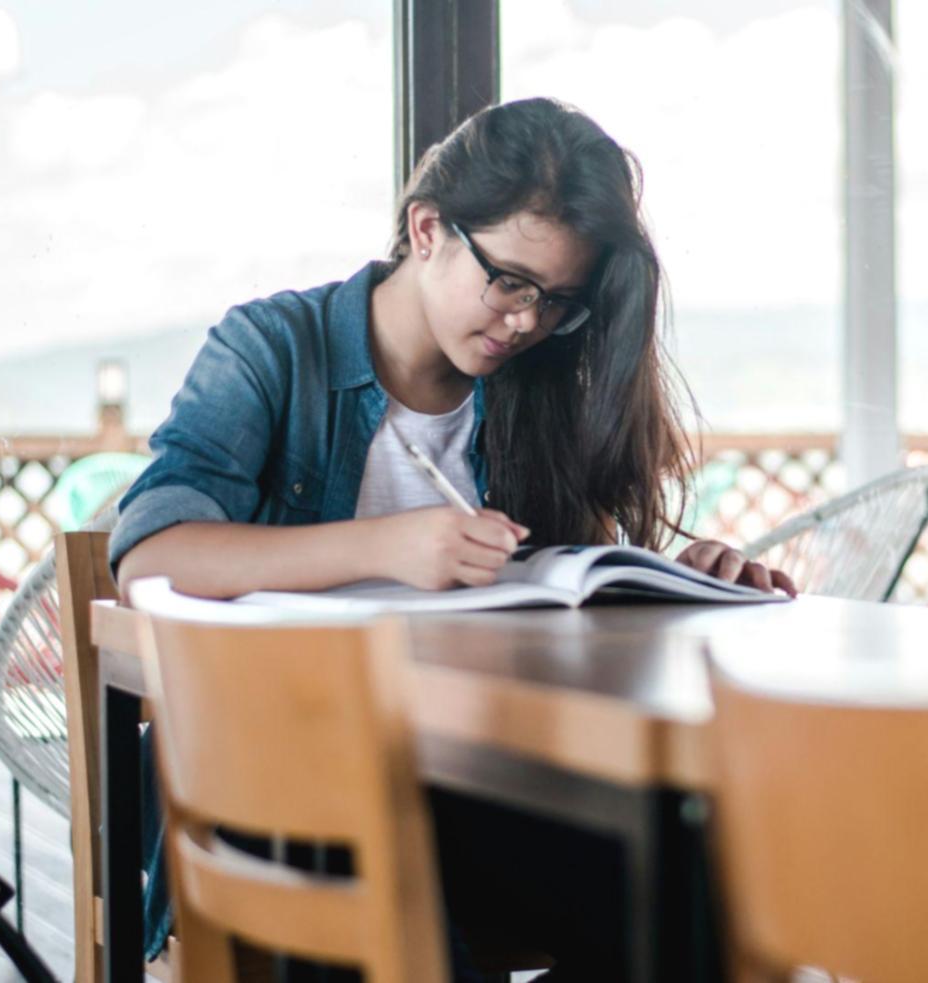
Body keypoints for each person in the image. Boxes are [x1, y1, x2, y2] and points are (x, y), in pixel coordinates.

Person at [111, 96, 795, 980]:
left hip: (474, 777)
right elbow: (151, 557)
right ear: (427, 228)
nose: (527, 322)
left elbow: (557, 592)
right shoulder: (273, 348)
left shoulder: (534, 387)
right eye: (510, 281)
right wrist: (385, 547)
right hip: (277, 770)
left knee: (698, 882)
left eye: (558, 301)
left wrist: (670, 581)